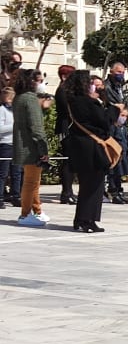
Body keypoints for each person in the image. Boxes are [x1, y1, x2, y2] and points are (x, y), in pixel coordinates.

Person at [64, 69, 118, 232]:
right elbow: (104, 121)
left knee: (85, 185)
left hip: (80, 147)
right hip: (93, 148)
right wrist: (115, 109)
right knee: (94, 186)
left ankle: (80, 218)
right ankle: (88, 220)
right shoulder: (88, 102)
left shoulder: (73, 101)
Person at [12, 68, 51, 226]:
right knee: (31, 182)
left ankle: (37, 210)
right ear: (31, 81)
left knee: (33, 181)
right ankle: (25, 213)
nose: (41, 84)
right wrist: (43, 149)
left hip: (23, 144)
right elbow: (36, 127)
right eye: (39, 80)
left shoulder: (19, 97)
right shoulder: (30, 99)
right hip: (31, 147)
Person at [103, 62, 128, 204]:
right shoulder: (106, 86)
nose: (121, 74)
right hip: (112, 125)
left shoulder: (121, 86)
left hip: (121, 124)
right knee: (113, 159)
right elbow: (109, 105)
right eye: (118, 72)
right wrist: (116, 108)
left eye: (123, 72)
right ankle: (112, 190)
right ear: (111, 71)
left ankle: (119, 189)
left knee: (122, 157)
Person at [54, 64, 77, 204]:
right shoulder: (62, 90)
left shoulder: (69, 90)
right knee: (68, 160)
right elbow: (67, 109)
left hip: (70, 126)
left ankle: (69, 191)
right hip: (65, 127)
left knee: (71, 160)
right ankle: (66, 192)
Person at [0, 87, 18, 211]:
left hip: (16, 144)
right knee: (3, 173)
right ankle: (0, 197)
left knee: (16, 173)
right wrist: (14, 126)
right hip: (5, 144)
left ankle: (16, 196)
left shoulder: (16, 111)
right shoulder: (2, 110)